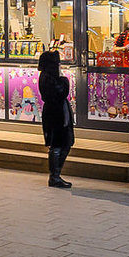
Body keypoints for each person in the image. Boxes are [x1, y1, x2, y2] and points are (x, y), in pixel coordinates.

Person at [38, 49, 74, 189]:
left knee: (63, 143)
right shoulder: (49, 77)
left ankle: (56, 175)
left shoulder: (46, 75)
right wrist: (64, 80)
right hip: (56, 113)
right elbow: (61, 92)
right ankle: (55, 176)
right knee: (58, 144)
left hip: (56, 112)